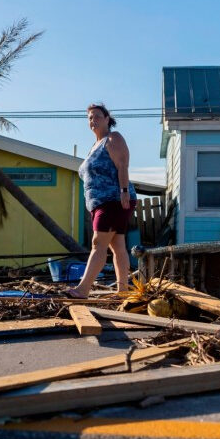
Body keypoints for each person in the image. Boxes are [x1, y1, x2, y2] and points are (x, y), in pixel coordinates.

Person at [67, 103, 136, 299]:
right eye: (90, 117)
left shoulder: (113, 138)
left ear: (107, 119)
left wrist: (124, 191)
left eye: (97, 116)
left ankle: (83, 289)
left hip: (114, 199)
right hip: (100, 202)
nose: (93, 120)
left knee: (98, 243)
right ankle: (123, 291)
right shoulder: (94, 146)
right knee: (118, 246)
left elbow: (123, 165)